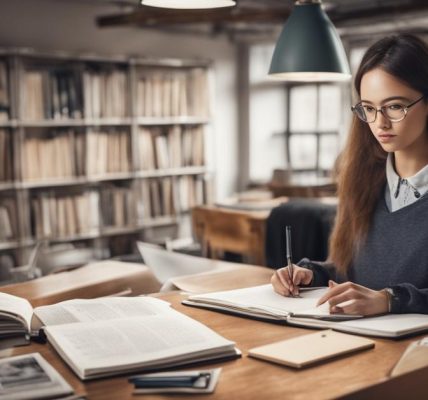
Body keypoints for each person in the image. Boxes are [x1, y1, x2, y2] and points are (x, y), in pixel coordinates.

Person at [271, 33, 428, 316]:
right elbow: (355, 271)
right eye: (368, 108)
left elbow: (381, 292)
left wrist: (391, 300)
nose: (379, 123)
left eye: (395, 106)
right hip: (356, 343)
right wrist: (311, 273)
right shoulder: (364, 182)